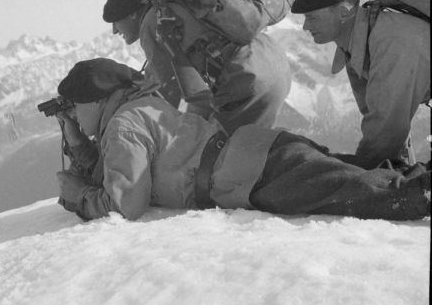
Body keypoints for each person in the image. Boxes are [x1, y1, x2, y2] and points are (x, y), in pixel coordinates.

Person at [53, 57, 430, 222]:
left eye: (74, 107)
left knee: (382, 194)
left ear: (98, 100)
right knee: (365, 174)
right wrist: (78, 141)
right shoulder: (142, 105)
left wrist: (79, 198)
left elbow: (125, 203)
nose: (73, 113)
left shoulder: (123, 125)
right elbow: (119, 168)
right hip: (260, 153)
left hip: (255, 173)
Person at [102, 0, 291, 134]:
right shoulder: (177, 4)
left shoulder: (152, 23)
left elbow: (167, 92)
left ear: (133, 14)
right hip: (270, 60)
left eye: (116, 22)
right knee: (255, 144)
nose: (114, 31)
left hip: (245, 77)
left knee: (215, 156)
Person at [291, 0, 430, 170]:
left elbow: (386, 129)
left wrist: (357, 180)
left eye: (312, 18)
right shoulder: (353, 44)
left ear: (343, 12)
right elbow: (379, 119)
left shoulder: (391, 41)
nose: (305, 26)